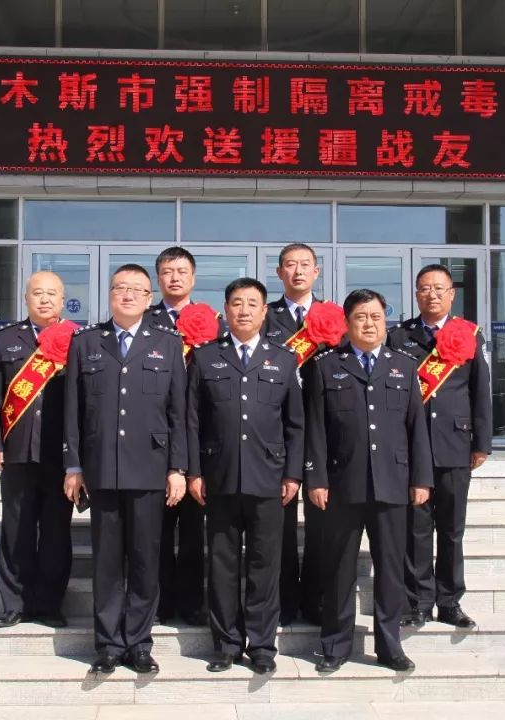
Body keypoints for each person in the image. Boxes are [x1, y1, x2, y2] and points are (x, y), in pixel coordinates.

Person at [63, 264, 188, 675]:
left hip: (150, 470)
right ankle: (108, 644)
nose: (129, 295)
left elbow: (178, 413)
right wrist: (74, 464)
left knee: (144, 560)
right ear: (110, 294)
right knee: (107, 561)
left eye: (138, 290)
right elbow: (73, 412)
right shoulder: (86, 342)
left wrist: (177, 468)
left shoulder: (168, 345)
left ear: (150, 298)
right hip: (102, 469)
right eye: (121, 288)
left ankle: (139, 642)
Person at [304, 289, 433, 673]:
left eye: (377, 317)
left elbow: (416, 429)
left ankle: (390, 647)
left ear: (386, 321)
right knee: (339, 568)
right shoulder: (326, 366)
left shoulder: (404, 366)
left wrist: (421, 478)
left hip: (393, 484)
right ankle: (335, 645)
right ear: (347, 323)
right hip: (342, 484)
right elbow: (315, 429)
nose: (369, 323)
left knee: (390, 569)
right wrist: (316, 478)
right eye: (361, 316)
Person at [186, 278, 304, 675]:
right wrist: (195, 472)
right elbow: (192, 422)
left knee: (264, 564)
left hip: (269, 479)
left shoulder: (283, 359)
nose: (244, 311)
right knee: (221, 564)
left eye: (252, 303)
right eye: (237, 303)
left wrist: (293, 474)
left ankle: (263, 645)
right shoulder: (204, 358)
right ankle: (225, 644)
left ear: (264, 311)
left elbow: (295, 426)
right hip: (217, 478)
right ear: (225, 309)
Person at [387, 263, 492, 630]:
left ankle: (450, 601)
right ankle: (417, 601)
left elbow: (480, 390)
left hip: (454, 443)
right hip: (411, 446)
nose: (431, 294)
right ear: (416, 294)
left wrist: (482, 442)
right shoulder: (400, 336)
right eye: (424, 288)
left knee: (451, 528)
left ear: (452, 294)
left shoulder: (468, 333)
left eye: (439, 288)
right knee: (415, 528)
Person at [0, 271, 73, 630]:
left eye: (52, 294)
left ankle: (50, 605)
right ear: (26, 298)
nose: (45, 299)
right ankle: (14, 603)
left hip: (59, 453)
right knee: (16, 528)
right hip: (16, 450)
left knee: (55, 531)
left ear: (63, 300)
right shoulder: (5, 339)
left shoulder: (76, 340)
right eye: (38, 293)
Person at [145, 246, 218, 626]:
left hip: (200, 434)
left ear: (193, 277)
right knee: (156, 530)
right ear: (158, 279)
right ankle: (159, 603)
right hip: (155, 434)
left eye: (182, 271)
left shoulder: (211, 320)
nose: (175, 277)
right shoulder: (145, 318)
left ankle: (191, 603)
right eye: (167, 271)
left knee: (193, 529)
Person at [263, 243, 328, 626]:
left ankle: (318, 600)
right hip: (276, 427)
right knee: (280, 523)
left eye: (305, 265)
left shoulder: (334, 317)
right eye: (290, 265)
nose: (298, 271)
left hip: (324, 426)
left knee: (323, 520)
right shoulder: (266, 316)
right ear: (279, 272)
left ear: (316, 272)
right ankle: (284, 603)